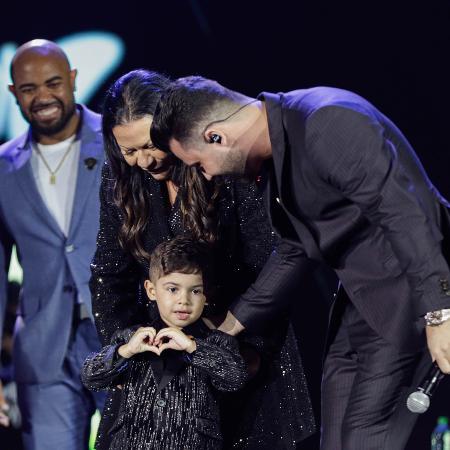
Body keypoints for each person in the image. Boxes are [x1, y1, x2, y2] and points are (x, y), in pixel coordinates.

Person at [150, 76, 450, 450]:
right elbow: (296, 248)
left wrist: (441, 311)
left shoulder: (326, 121)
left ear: (216, 136)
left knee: (365, 437)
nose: (205, 174)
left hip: (412, 297)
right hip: (362, 306)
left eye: (197, 163)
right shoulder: (281, 144)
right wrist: (225, 330)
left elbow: (404, 215)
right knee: (336, 438)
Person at [91, 69, 316, 449]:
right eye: (128, 151)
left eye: (150, 145)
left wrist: (247, 348)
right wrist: (126, 346)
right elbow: (108, 275)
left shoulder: (221, 165)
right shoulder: (120, 183)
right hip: (164, 371)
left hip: (246, 347)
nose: (143, 160)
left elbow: (272, 264)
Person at [0, 39, 105, 449]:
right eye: (28, 89)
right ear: (13, 94)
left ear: (74, 80)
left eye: (53, 83)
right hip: (44, 347)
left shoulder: (119, 142)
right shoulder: (4, 169)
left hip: (126, 333)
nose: (42, 96)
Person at [83, 236, 248, 450]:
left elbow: (235, 377)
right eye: (173, 289)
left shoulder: (214, 342)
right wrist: (126, 351)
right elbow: (91, 377)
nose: (184, 300)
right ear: (152, 291)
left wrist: (193, 347)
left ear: (206, 295)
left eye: (195, 291)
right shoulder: (132, 339)